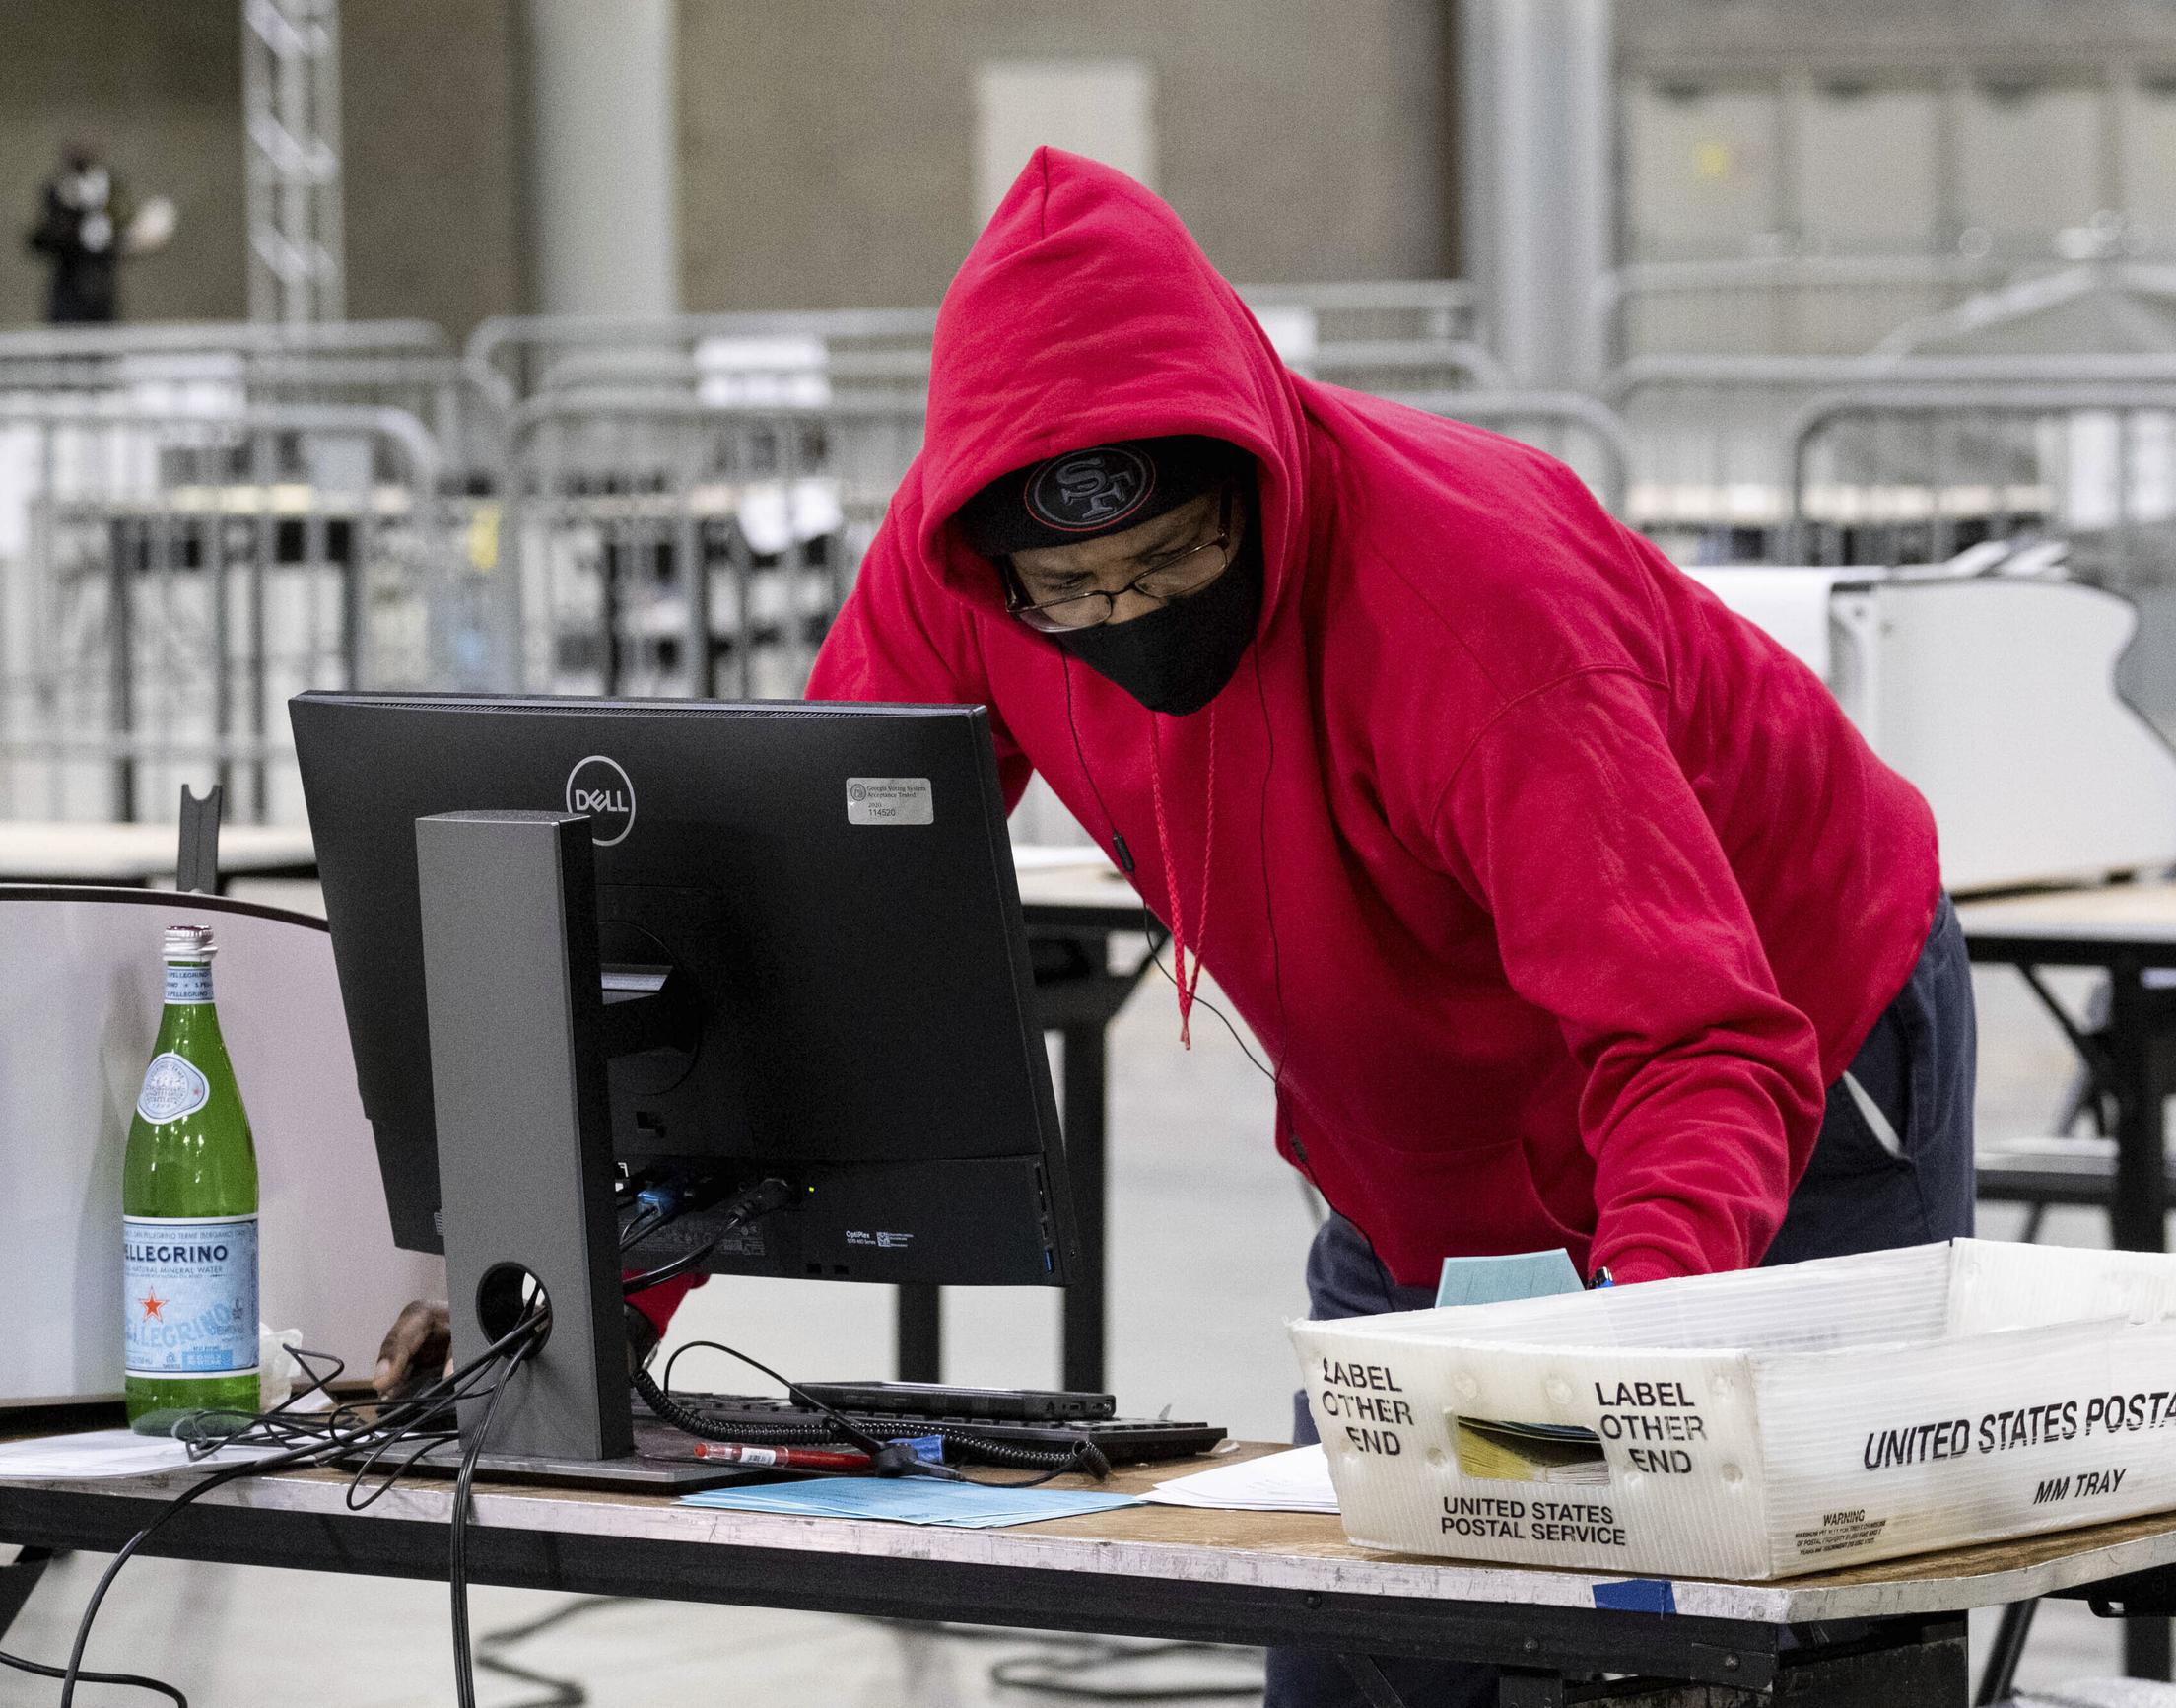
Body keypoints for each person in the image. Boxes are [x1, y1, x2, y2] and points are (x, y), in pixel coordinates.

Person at [380, 150, 1974, 1708]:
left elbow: (1690, 1031)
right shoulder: (958, 584)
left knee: (1758, 1619)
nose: (1120, 615)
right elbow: (789, 944)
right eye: (1066, 591)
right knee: (1368, 1633)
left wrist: (1629, 1366)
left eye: (1168, 558)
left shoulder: (1472, 612)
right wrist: (582, 1280)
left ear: (1251, 470)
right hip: (1416, 1125)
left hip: (1785, 1047)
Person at [26, 143, 127, 324]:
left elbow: (120, 230)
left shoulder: (109, 192)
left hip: (100, 290)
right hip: (67, 290)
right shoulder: (58, 192)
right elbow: (39, 240)